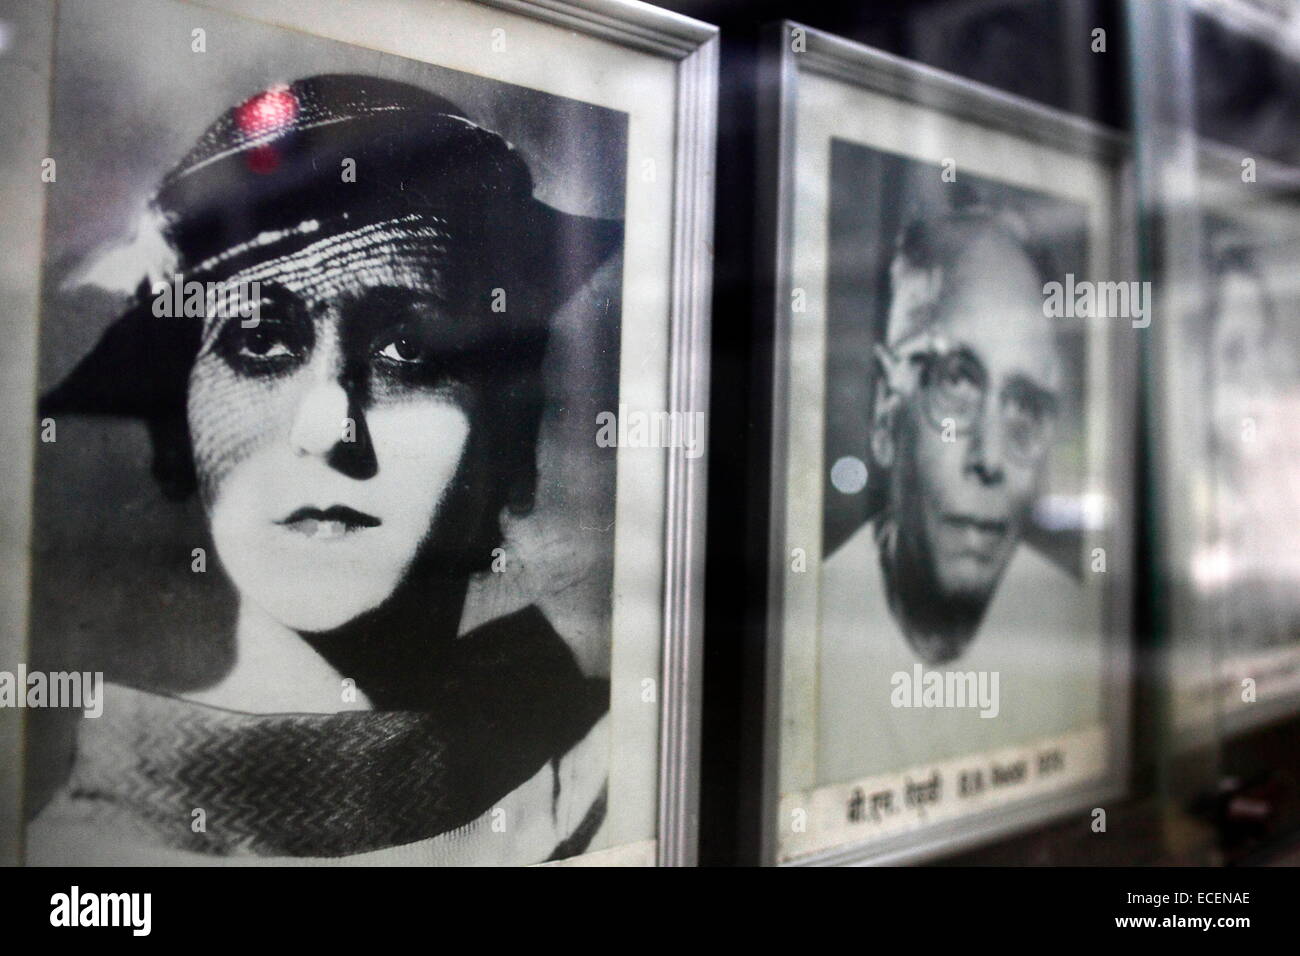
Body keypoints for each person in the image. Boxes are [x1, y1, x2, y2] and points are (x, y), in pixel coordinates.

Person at [28, 74, 620, 863]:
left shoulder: (609, 773)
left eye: (411, 351)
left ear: (510, 442)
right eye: (260, 344)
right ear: (177, 437)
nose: (329, 427)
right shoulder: (87, 859)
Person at [817, 208, 1102, 784]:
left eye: (1024, 405)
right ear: (883, 412)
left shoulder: (1082, 637)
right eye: (956, 381)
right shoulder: (805, 635)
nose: (989, 458)